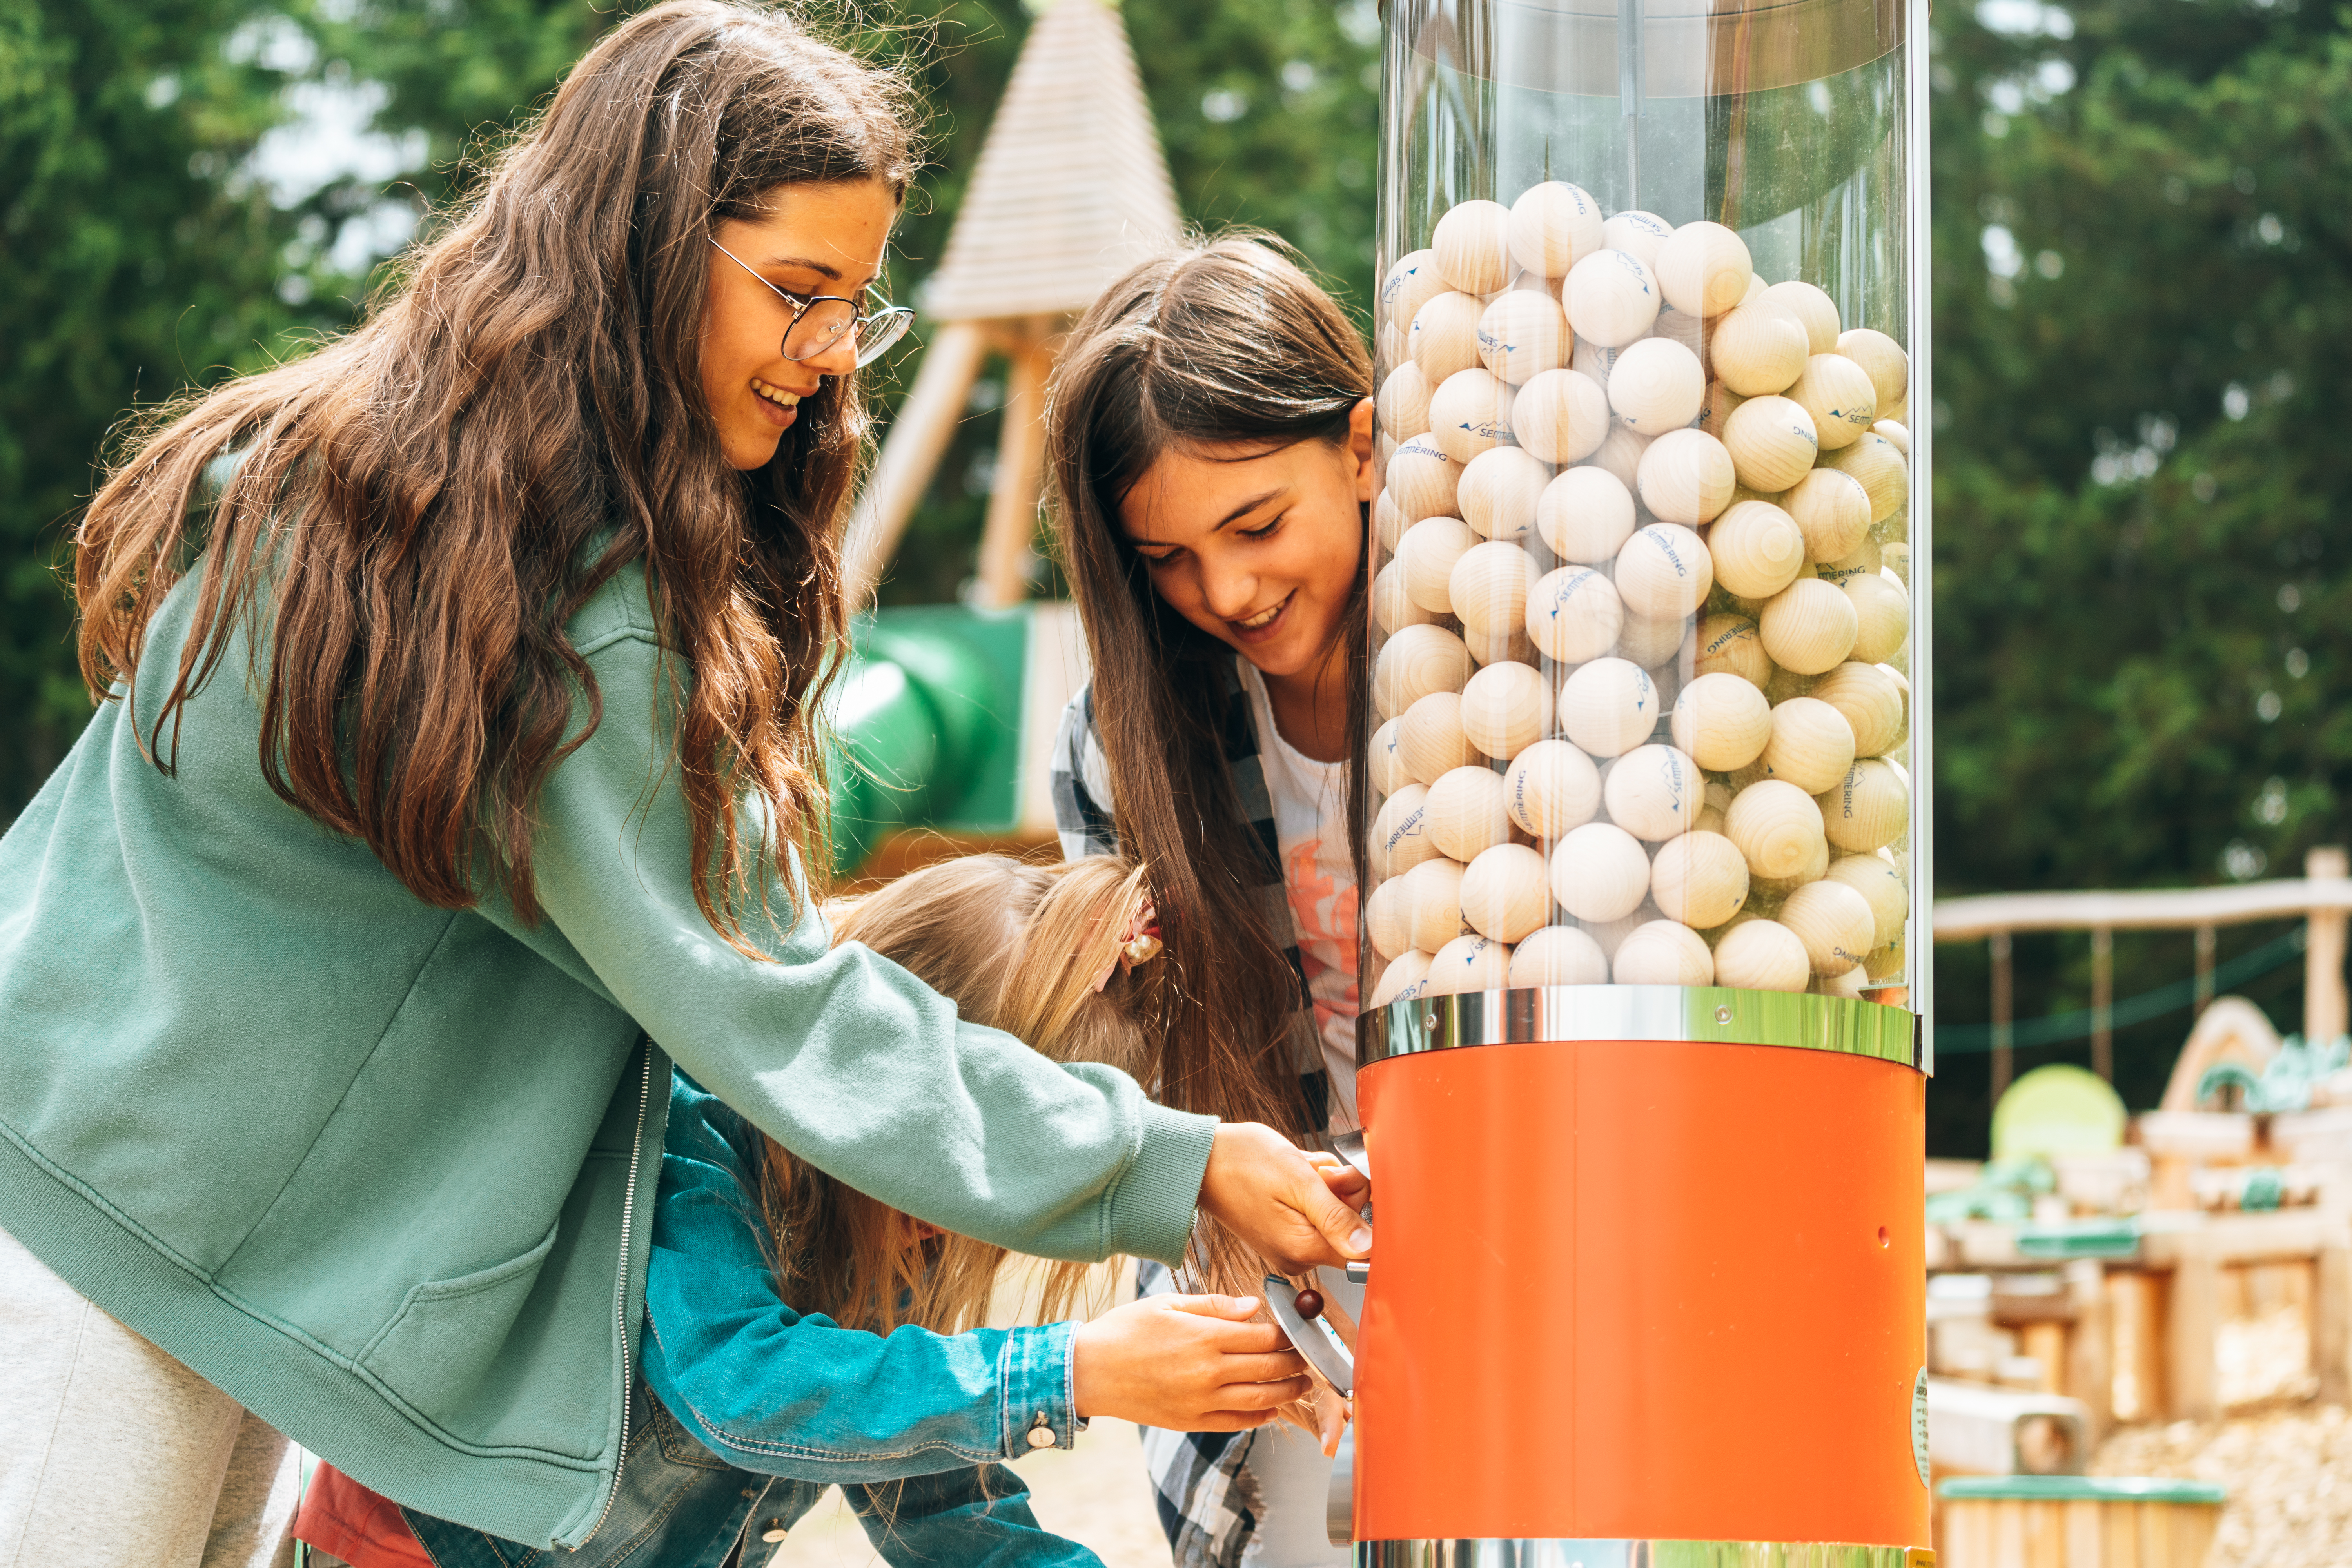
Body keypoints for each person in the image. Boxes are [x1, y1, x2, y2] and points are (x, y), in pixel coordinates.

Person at [0, 11, 1367, 1564]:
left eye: (857, 304)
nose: (834, 351)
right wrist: (1172, 1160)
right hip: (93, 1218)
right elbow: (775, 1004)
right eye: (796, 291)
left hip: (208, 1239)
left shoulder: (432, 491)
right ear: (643, 249)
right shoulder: (547, 593)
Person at [295, 855, 1328, 1568]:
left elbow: (948, 1516)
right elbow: (739, 1389)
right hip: (420, 1545)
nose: (983, 1226)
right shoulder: (691, 1137)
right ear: (888, 1081)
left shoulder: (899, 1259)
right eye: (994, 1169)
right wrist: (1070, 1370)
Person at [1044, 237, 1376, 1567]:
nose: (1226, 592)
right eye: (1167, 560)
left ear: (1361, 448)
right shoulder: (1121, 743)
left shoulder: (1510, 671)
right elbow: (1146, 1102)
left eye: (1256, 527)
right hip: (1268, 1325)